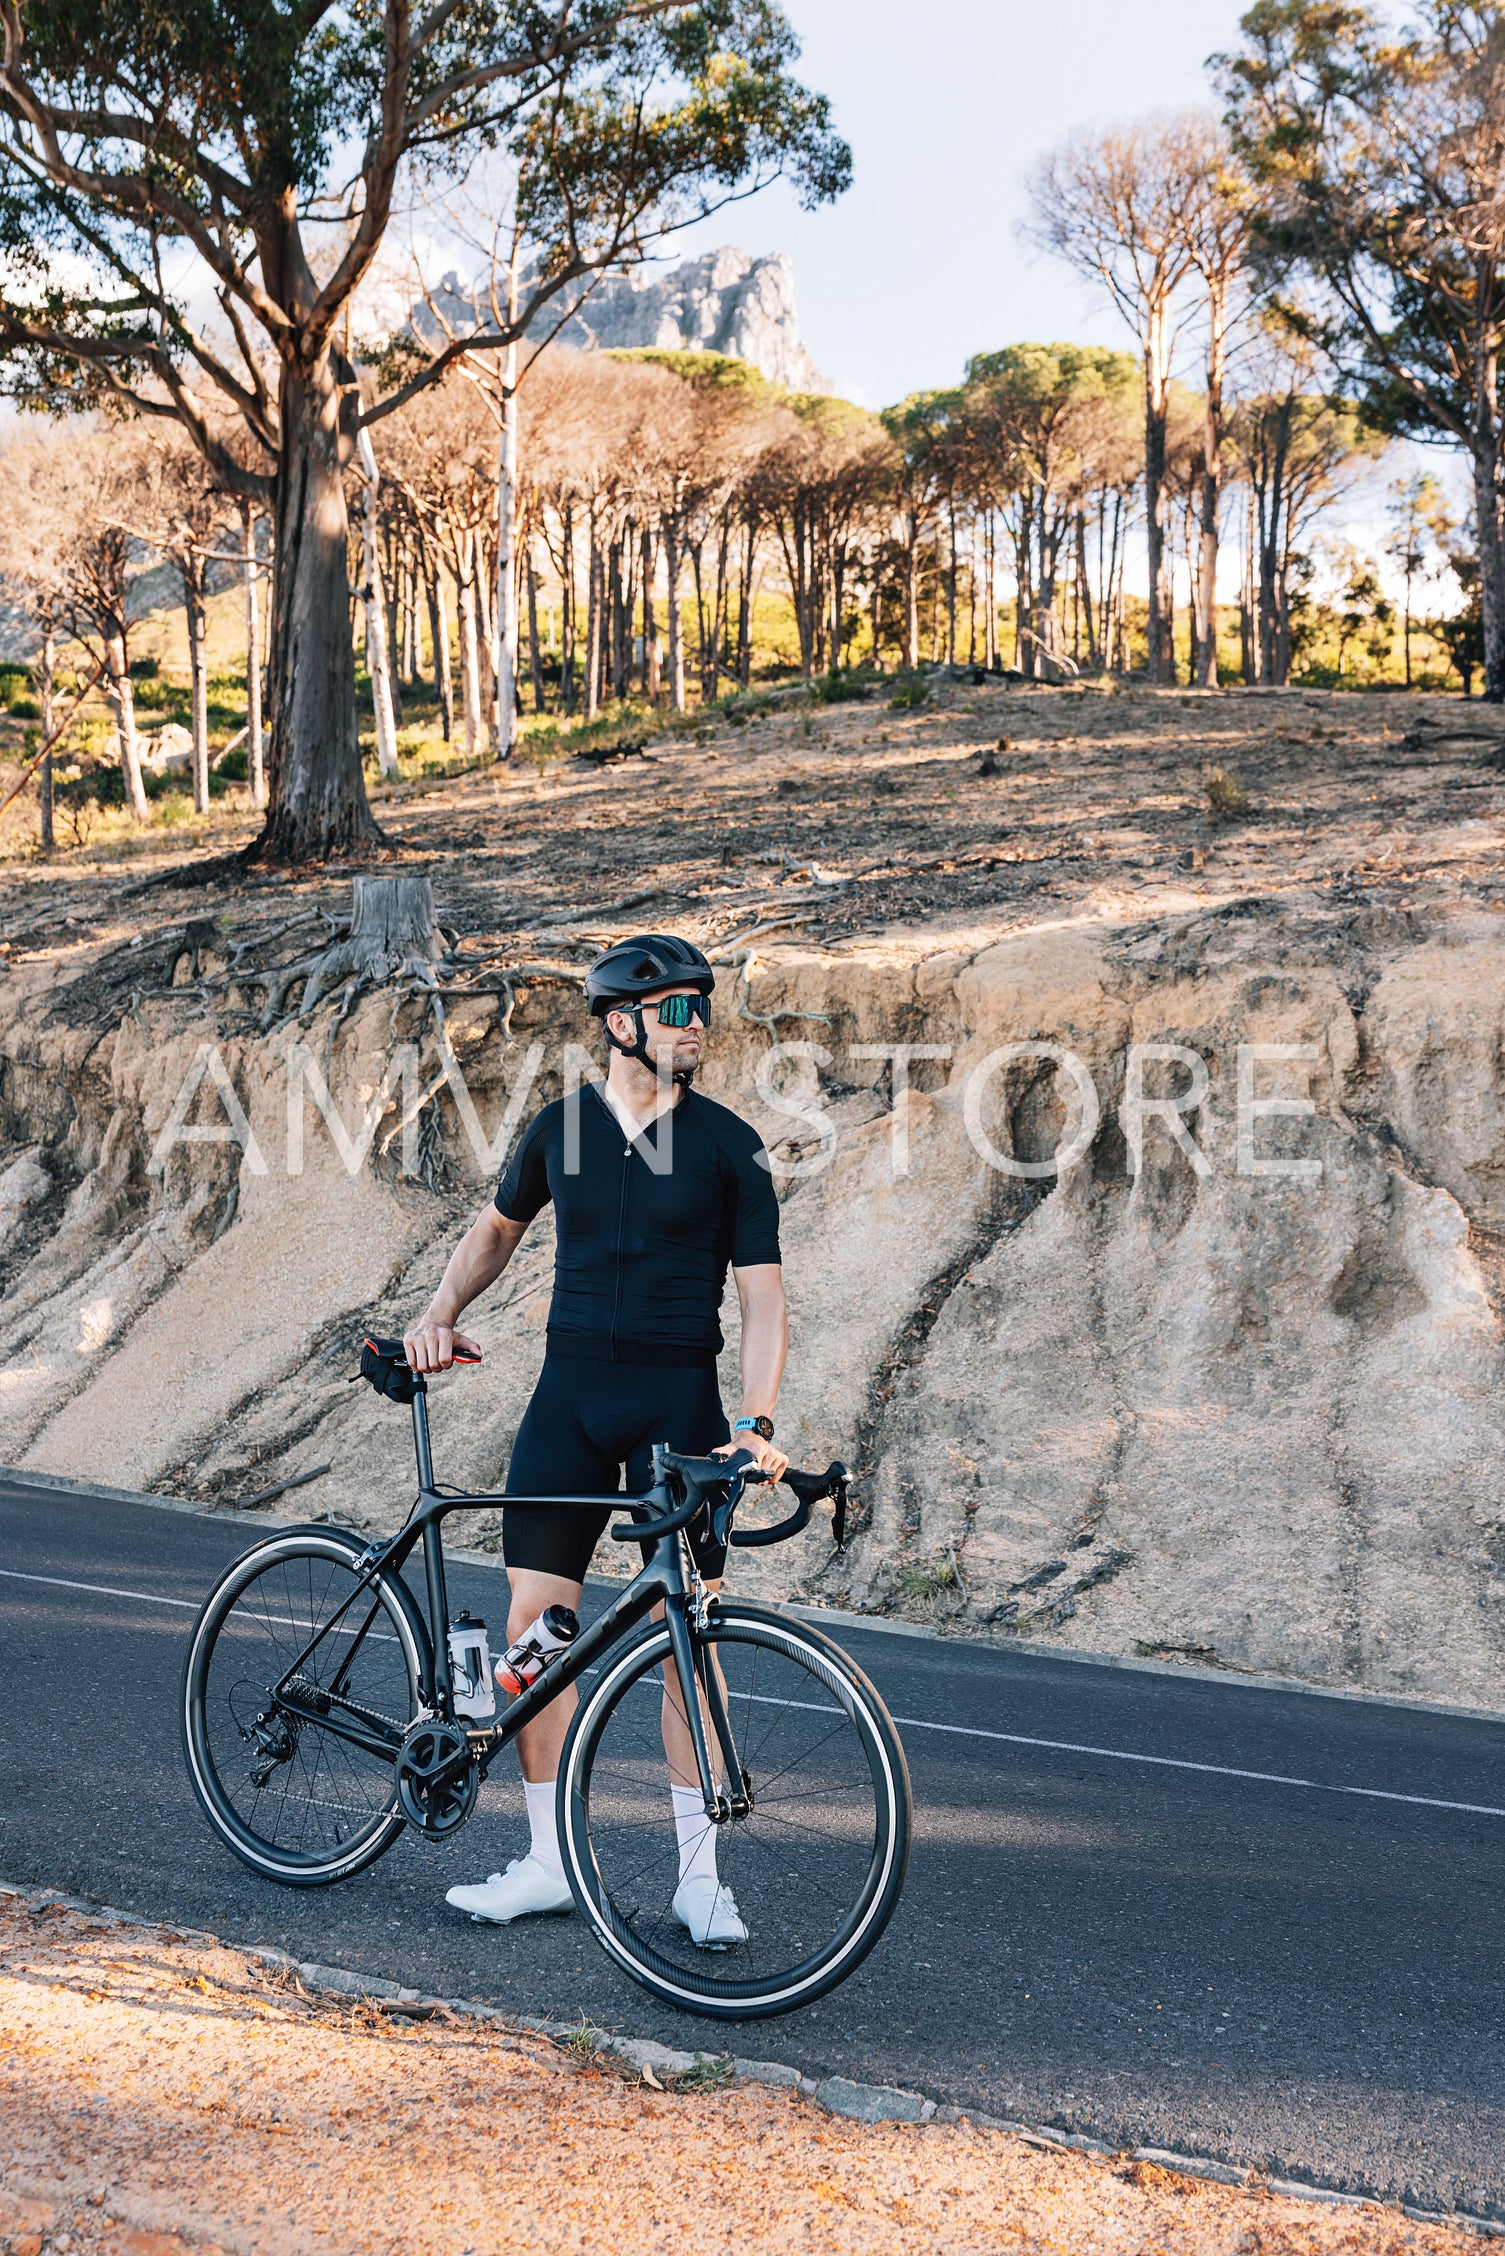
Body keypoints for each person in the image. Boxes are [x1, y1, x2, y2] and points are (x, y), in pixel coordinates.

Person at [402, 933, 789, 1947]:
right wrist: (437, 1311)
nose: (697, 1022)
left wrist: (753, 1426)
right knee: (535, 1639)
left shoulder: (727, 1147)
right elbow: (495, 1231)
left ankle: (698, 1882)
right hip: (566, 1402)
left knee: (687, 1649)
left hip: (679, 1414)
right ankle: (544, 1863)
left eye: (702, 1006)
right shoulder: (558, 1130)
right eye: (675, 1008)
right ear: (621, 1024)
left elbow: (763, 1305)